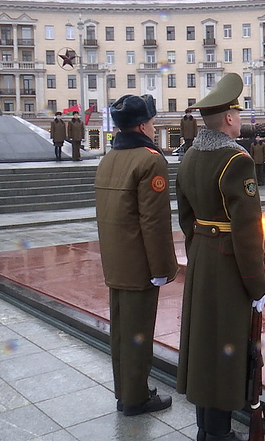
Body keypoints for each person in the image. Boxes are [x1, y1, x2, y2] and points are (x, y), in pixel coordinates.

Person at [175, 73, 265, 441]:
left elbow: (184, 217)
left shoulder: (190, 155)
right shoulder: (236, 161)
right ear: (228, 118)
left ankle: (205, 428)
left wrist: (198, 249)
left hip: (201, 255)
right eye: (238, 113)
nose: (240, 119)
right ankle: (219, 433)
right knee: (225, 343)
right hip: (229, 264)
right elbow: (247, 231)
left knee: (203, 343)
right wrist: (256, 283)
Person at [95, 94, 178, 417]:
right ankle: (136, 398)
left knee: (121, 331)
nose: (154, 127)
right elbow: (154, 221)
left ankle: (126, 391)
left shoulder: (109, 159)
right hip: (140, 264)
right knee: (138, 333)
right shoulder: (149, 160)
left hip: (116, 261)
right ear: (143, 125)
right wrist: (161, 267)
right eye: (153, 122)